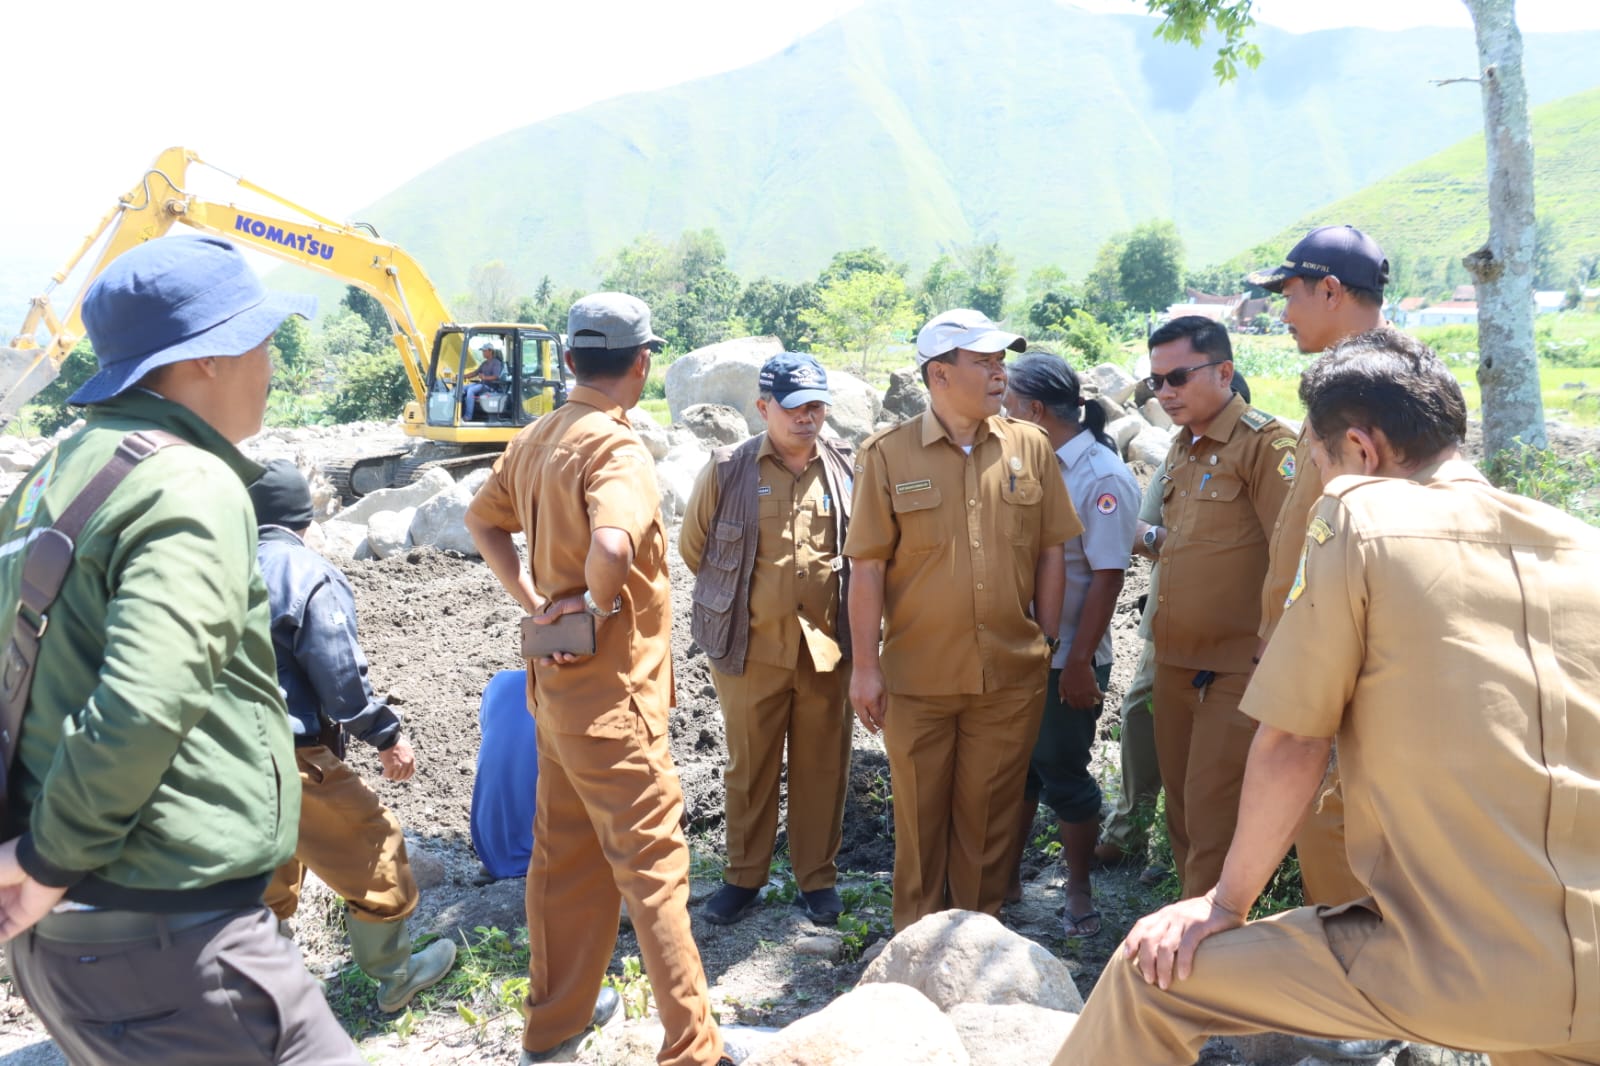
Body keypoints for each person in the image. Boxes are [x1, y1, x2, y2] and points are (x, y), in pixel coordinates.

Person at [1053, 327, 1600, 1066]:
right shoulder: (1580, 545)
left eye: (1318, 460)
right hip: (1588, 967)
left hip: (1454, 963)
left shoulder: (1359, 516)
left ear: (1362, 451)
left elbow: (1294, 740)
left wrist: (1223, 905)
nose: (1318, 479)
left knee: (1150, 979)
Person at [0, 235, 360, 1064]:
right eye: (260, 339)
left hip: (74, 940)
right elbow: (145, 700)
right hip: (173, 939)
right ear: (206, 357)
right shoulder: (187, 480)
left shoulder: (48, 480)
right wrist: (51, 856)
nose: (270, 363)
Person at [465, 292, 728, 1066]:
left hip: (554, 698)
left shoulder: (536, 436)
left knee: (563, 864)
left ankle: (553, 1028)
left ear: (569, 360)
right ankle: (694, 1049)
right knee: (655, 873)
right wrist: (599, 605)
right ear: (642, 364)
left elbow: (483, 521)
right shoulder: (616, 448)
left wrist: (539, 604)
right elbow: (612, 545)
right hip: (615, 705)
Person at [845, 309, 1079, 932]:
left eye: (1002, 361)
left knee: (989, 822)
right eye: (984, 362)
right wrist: (864, 668)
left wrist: (1046, 637)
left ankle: (975, 941)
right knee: (921, 825)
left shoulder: (1030, 446)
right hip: (918, 681)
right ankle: (915, 946)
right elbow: (866, 567)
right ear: (940, 375)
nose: (1001, 373)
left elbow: (1052, 549)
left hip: (1008, 677)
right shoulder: (887, 455)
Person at [248, 459, 457, 1012]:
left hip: (215, 754)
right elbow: (340, 681)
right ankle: (396, 974)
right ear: (306, 517)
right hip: (285, 753)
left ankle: (263, 990)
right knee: (375, 842)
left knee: (262, 872)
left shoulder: (214, 569)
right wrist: (386, 734)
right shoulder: (305, 573)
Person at [680, 352, 856, 927]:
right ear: (763, 407)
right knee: (750, 768)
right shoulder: (728, 469)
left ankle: (817, 880)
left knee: (823, 766)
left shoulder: (845, 467)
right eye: (794, 407)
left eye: (816, 406)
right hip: (748, 647)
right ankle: (743, 878)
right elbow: (695, 550)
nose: (807, 417)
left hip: (826, 649)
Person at [1245, 225, 1388, 913]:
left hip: (1350, 651)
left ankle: (1364, 971)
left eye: (1290, 294)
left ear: (1330, 291)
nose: (1283, 313)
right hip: (1314, 645)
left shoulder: (1384, 387)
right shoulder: (1344, 382)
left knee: (1341, 824)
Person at [1144, 316, 1292, 899]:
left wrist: (1270, 653)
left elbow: (1293, 557)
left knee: (1213, 816)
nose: (1165, 393)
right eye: (1155, 382)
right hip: (1175, 660)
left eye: (1178, 377)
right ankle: (1191, 919)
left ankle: (1203, 941)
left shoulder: (1266, 445)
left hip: (1236, 669)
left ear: (1224, 371)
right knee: (1182, 812)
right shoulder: (1182, 447)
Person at [1000, 353, 1138, 938]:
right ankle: (1006, 882)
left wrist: (1079, 661)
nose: (1000, 413)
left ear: (1034, 410)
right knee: (1018, 774)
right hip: (1025, 653)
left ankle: (1078, 891)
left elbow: (1108, 575)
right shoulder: (1031, 462)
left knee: (1063, 772)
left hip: (1069, 659)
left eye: (1008, 404)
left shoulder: (1100, 475)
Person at [1097, 373, 1252, 885]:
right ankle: (1130, 829)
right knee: (1143, 713)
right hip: (1171, 622)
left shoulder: (1264, 455)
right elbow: (1139, 532)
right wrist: (1180, 542)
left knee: (1217, 744)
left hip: (1237, 632)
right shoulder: (1177, 457)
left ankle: (1192, 857)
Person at [462, 344, 505, 421]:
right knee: (462, 388)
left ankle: (468, 416)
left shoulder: (496, 363)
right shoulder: (484, 363)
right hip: (482, 384)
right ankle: (460, 413)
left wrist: (484, 377)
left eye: (484, 351)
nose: (483, 353)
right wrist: (463, 376)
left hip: (490, 387)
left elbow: (496, 376)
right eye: (482, 351)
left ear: (490, 351)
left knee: (471, 390)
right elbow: (475, 373)